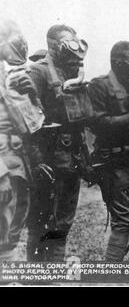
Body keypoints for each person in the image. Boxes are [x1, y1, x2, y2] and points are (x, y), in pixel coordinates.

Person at [88, 41, 129, 261]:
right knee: (124, 219)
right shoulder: (99, 86)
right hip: (114, 163)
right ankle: (111, 273)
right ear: (117, 62)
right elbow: (98, 123)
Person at [27, 24, 90, 261]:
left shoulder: (70, 73)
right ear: (53, 46)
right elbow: (26, 119)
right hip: (47, 160)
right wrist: (36, 160)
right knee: (41, 222)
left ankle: (54, 276)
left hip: (70, 160)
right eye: (67, 41)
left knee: (63, 222)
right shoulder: (38, 72)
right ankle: (35, 277)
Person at [0, 19, 44, 261]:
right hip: (3, 162)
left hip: (18, 159)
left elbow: (33, 122)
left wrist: (33, 95)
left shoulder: (12, 73)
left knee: (14, 224)